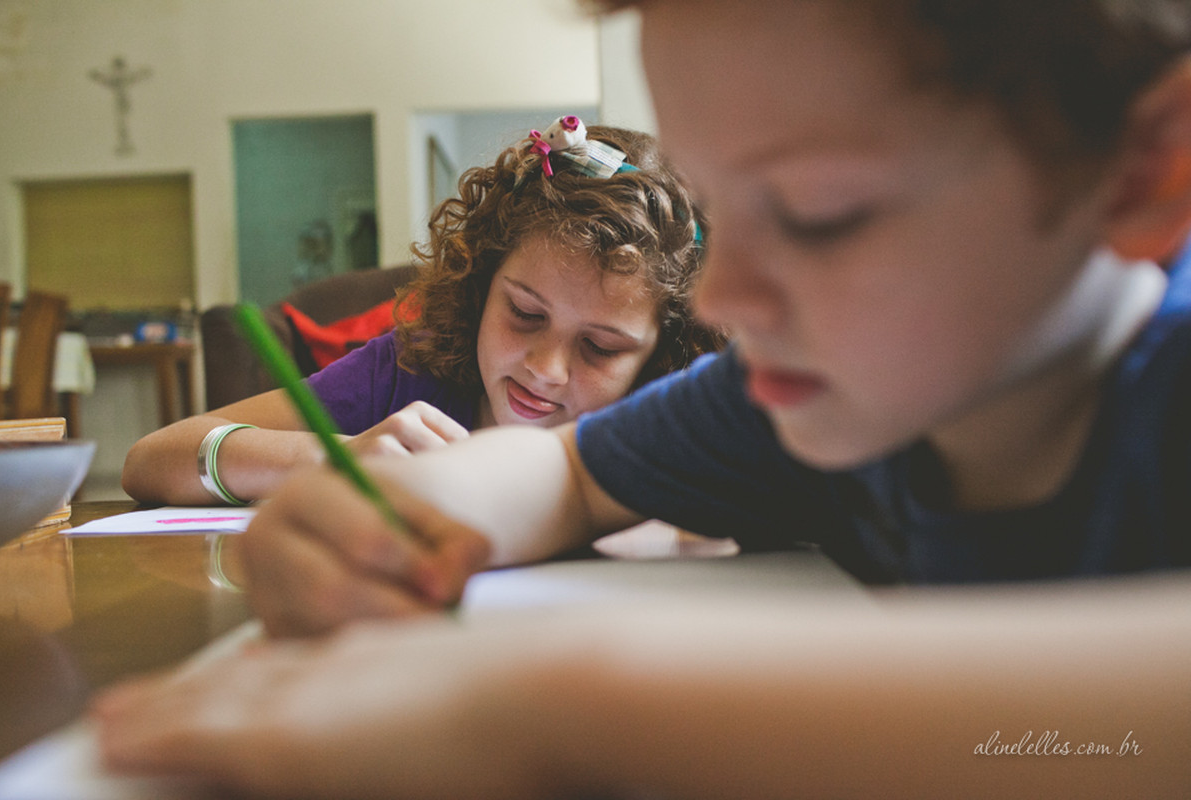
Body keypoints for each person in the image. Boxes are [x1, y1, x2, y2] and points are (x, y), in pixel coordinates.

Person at [96, 0, 1191, 797]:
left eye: (816, 214)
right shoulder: (810, 388)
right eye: (720, 215)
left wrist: (553, 702)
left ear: (1142, 173)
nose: (720, 295)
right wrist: (408, 513)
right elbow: (569, 470)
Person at [121, 120, 721, 506]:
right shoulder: (411, 370)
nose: (546, 368)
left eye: (601, 347)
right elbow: (151, 461)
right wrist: (336, 457)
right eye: (524, 313)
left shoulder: (682, 424)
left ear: (662, 354)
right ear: (481, 281)